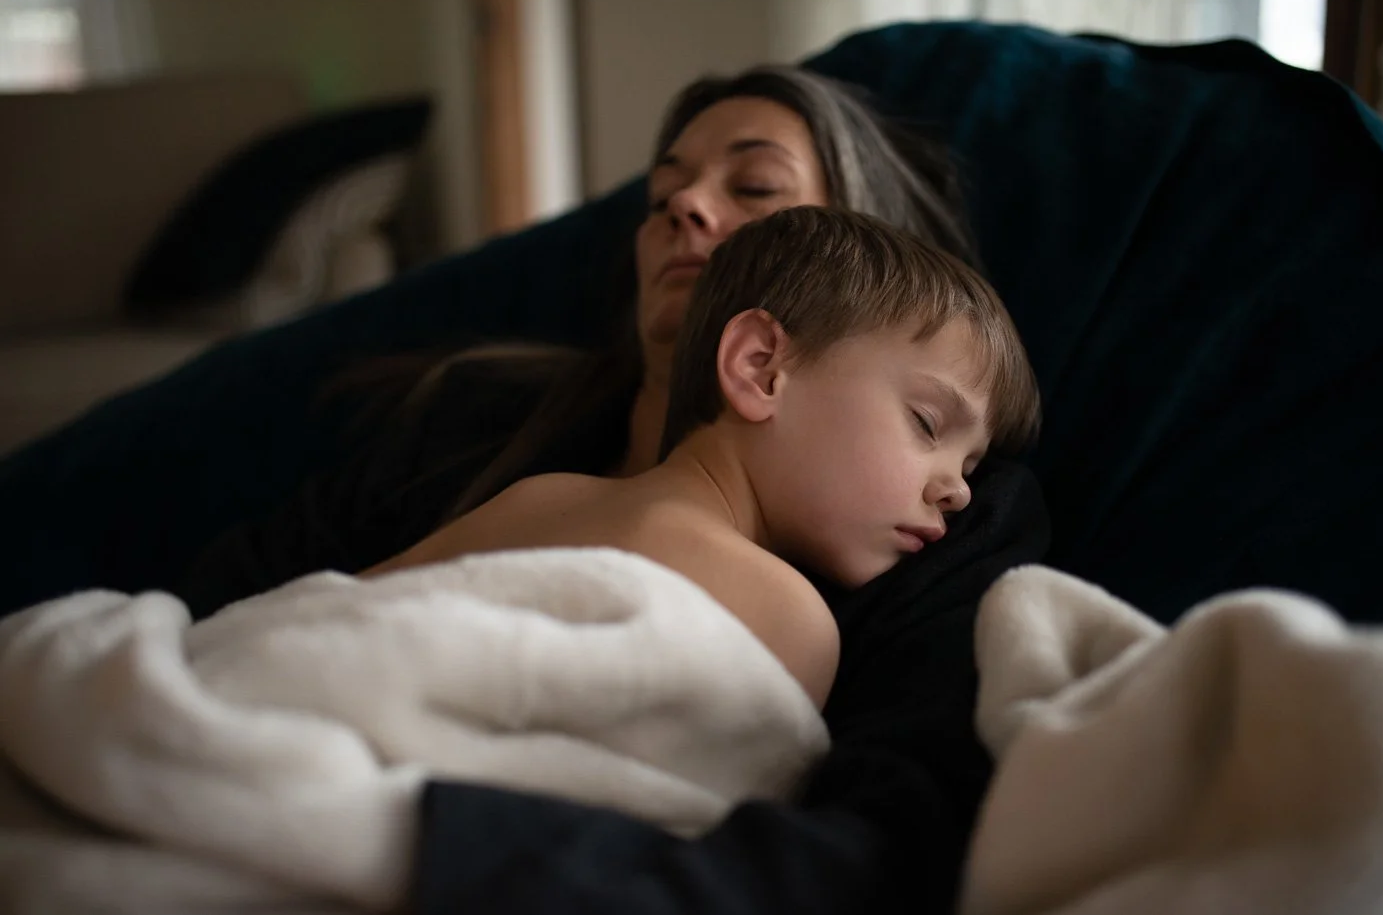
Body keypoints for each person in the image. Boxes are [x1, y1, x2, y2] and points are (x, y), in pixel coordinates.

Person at [180, 64, 1051, 915]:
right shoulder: (484, 423)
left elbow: (878, 845)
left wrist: (410, 844)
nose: (682, 205)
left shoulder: (942, 520)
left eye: (753, 185)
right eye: (660, 192)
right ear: (757, 360)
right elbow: (285, 619)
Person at [365, 206, 1039, 710]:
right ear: (761, 368)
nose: (959, 492)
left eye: (973, 466)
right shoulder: (785, 616)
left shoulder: (540, 496)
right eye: (927, 423)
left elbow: (333, 613)